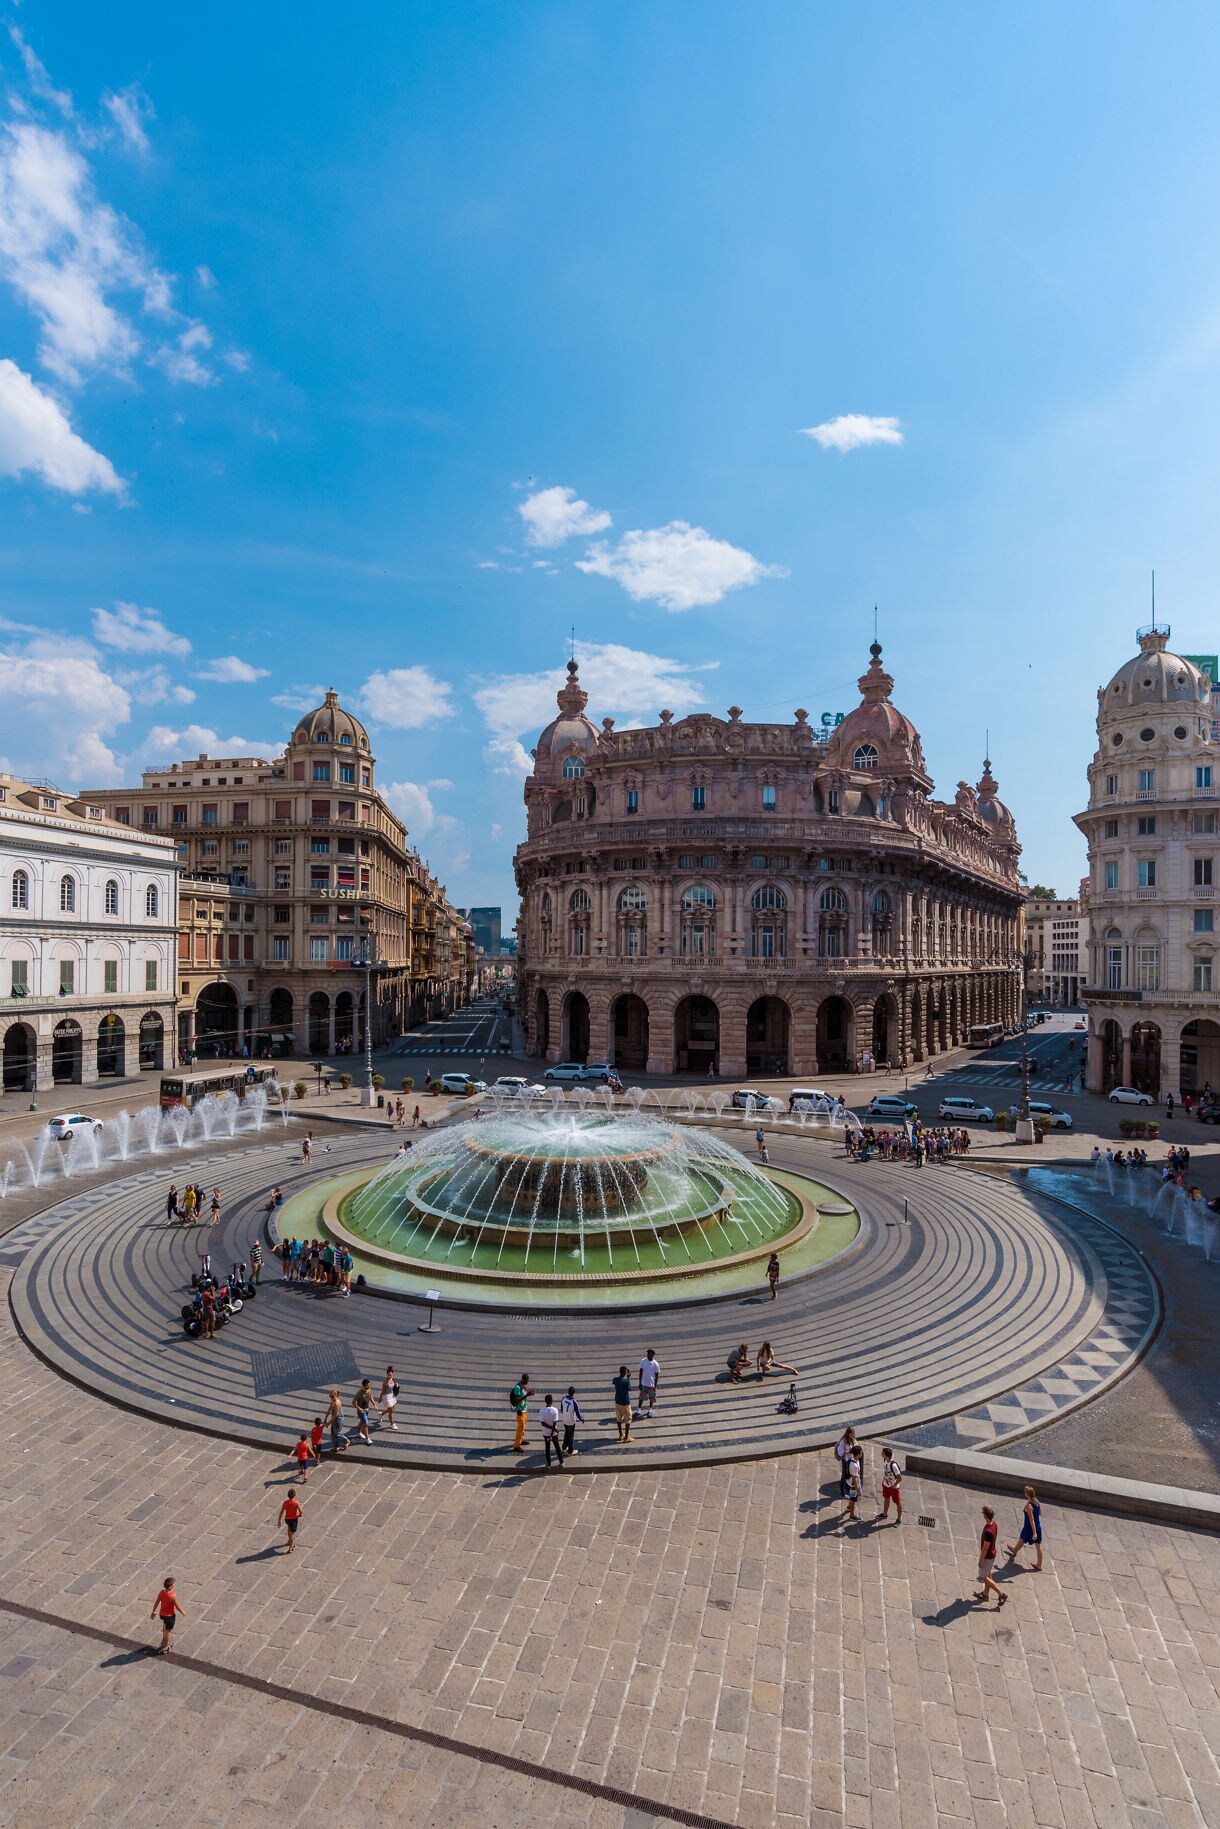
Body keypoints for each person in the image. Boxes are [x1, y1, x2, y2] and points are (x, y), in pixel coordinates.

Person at [1006, 1484, 1044, 1571]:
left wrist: (1034, 1533)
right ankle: (1039, 1564)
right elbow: (1040, 1513)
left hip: (1029, 1527)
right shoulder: (1037, 1501)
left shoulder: (1029, 1506)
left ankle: (1015, 1550)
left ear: (1026, 1494)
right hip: (1038, 1526)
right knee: (1037, 1545)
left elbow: (1031, 1520)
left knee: (1022, 1538)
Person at [974, 1505, 1006, 1605]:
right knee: (987, 1574)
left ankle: (1001, 1594)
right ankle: (985, 1594)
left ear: (986, 1516)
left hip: (987, 1557)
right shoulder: (994, 1524)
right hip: (992, 1554)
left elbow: (985, 1548)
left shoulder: (988, 1531)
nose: (982, 1514)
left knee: (983, 1576)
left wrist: (980, 1560)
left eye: (983, 1513)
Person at [150, 1577, 185, 1654]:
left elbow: (157, 1602)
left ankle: (163, 1641)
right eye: (173, 1585)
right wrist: (183, 1612)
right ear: (170, 1587)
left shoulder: (161, 1592)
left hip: (162, 1614)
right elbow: (177, 1606)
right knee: (168, 1631)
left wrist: (153, 1611)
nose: (174, 1586)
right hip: (170, 1616)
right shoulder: (172, 1595)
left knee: (164, 1626)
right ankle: (166, 1646)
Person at [539, 1394, 565, 1468]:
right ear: (552, 1401)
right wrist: (553, 1431)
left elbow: (542, 1423)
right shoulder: (554, 1410)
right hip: (554, 1433)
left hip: (545, 1433)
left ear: (545, 1401)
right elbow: (554, 1424)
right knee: (557, 1447)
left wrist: (549, 1435)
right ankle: (561, 1462)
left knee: (547, 1448)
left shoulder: (542, 1410)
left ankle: (549, 1464)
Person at [880, 1447, 903, 1524]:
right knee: (886, 1499)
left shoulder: (893, 1466)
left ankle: (899, 1519)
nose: (881, 1454)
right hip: (886, 1485)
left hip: (893, 1487)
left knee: (897, 1502)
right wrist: (884, 1481)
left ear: (886, 1455)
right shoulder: (885, 1461)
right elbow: (886, 1472)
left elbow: (900, 1478)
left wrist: (895, 1484)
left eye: (882, 1453)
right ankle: (884, 1514)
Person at [559, 1386, 583, 1455]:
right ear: (574, 1393)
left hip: (565, 1420)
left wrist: (564, 1415)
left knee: (566, 1433)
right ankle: (570, 1451)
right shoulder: (574, 1402)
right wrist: (581, 1419)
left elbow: (561, 1408)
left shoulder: (563, 1399)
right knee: (571, 1436)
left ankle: (564, 1448)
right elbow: (577, 1413)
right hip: (571, 1421)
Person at [612, 1365, 634, 1442]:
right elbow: (629, 1388)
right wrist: (628, 1377)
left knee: (619, 1419)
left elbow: (615, 1382)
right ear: (625, 1373)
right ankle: (626, 1437)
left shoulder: (615, 1380)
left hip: (617, 1402)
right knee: (628, 1420)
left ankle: (620, 1434)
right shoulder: (625, 1381)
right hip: (625, 1403)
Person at [834, 1426, 857, 1498]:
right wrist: (848, 1452)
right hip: (846, 1461)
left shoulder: (852, 1439)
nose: (853, 1435)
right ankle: (842, 1493)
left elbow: (855, 1444)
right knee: (844, 1477)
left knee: (848, 1475)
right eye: (852, 1434)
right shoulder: (843, 1441)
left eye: (853, 1434)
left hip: (851, 1459)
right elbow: (840, 1452)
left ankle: (847, 1489)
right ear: (848, 1433)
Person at [323, 1387, 348, 1454]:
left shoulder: (337, 1403)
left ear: (336, 1395)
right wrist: (325, 1418)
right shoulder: (333, 1401)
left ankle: (346, 1441)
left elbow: (335, 1415)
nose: (331, 1397)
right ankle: (335, 1447)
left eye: (332, 1396)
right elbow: (329, 1409)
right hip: (335, 1419)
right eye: (330, 1396)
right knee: (333, 1433)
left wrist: (328, 1423)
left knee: (336, 1433)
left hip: (338, 1419)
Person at [278, 1488, 302, 1553]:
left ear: (288, 1495)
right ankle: (291, 1547)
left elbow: (281, 1512)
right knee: (293, 1533)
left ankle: (289, 1541)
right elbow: (301, 1511)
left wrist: (279, 1521)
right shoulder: (296, 1503)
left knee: (289, 1529)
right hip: (294, 1520)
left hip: (287, 1519)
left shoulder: (285, 1503)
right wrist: (299, 1515)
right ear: (294, 1495)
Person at [511, 1373, 530, 1452]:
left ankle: (521, 1440)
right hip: (520, 1411)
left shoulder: (523, 1386)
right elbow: (517, 1400)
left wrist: (529, 1394)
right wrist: (527, 1395)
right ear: (523, 1379)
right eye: (526, 1380)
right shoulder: (517, 1387)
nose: (527, 1382)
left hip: (524, 1409)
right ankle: (516, 1446)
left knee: (523, 1426)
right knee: (520, 1428)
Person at [638, 1349, 660, 1416]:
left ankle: (650, 1410)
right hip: (644, 1383)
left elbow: (656, 1375)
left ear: (653, 1355)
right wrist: (640, 1382)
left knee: (651, 1397)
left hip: (651, 1384)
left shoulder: (655, 1364)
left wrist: (655, 1386)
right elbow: (641, 1371)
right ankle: (639, 1410)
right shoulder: (643, 1361)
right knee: (641, 1397)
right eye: (648, 1354)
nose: (648, 1356)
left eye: (650, 1355)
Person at [844, 1450, 862, 1522]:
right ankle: (852, 1515)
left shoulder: (853, 1458)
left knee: (852, 1498)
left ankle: (849, 1507)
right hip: (853, 1485)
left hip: (849, 1482)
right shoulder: (854, 1465)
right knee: (853, 1499)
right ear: (858, 1454)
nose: (861, 1453)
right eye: (860, 1452)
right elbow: (854, 1479)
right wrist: (857, 1490)